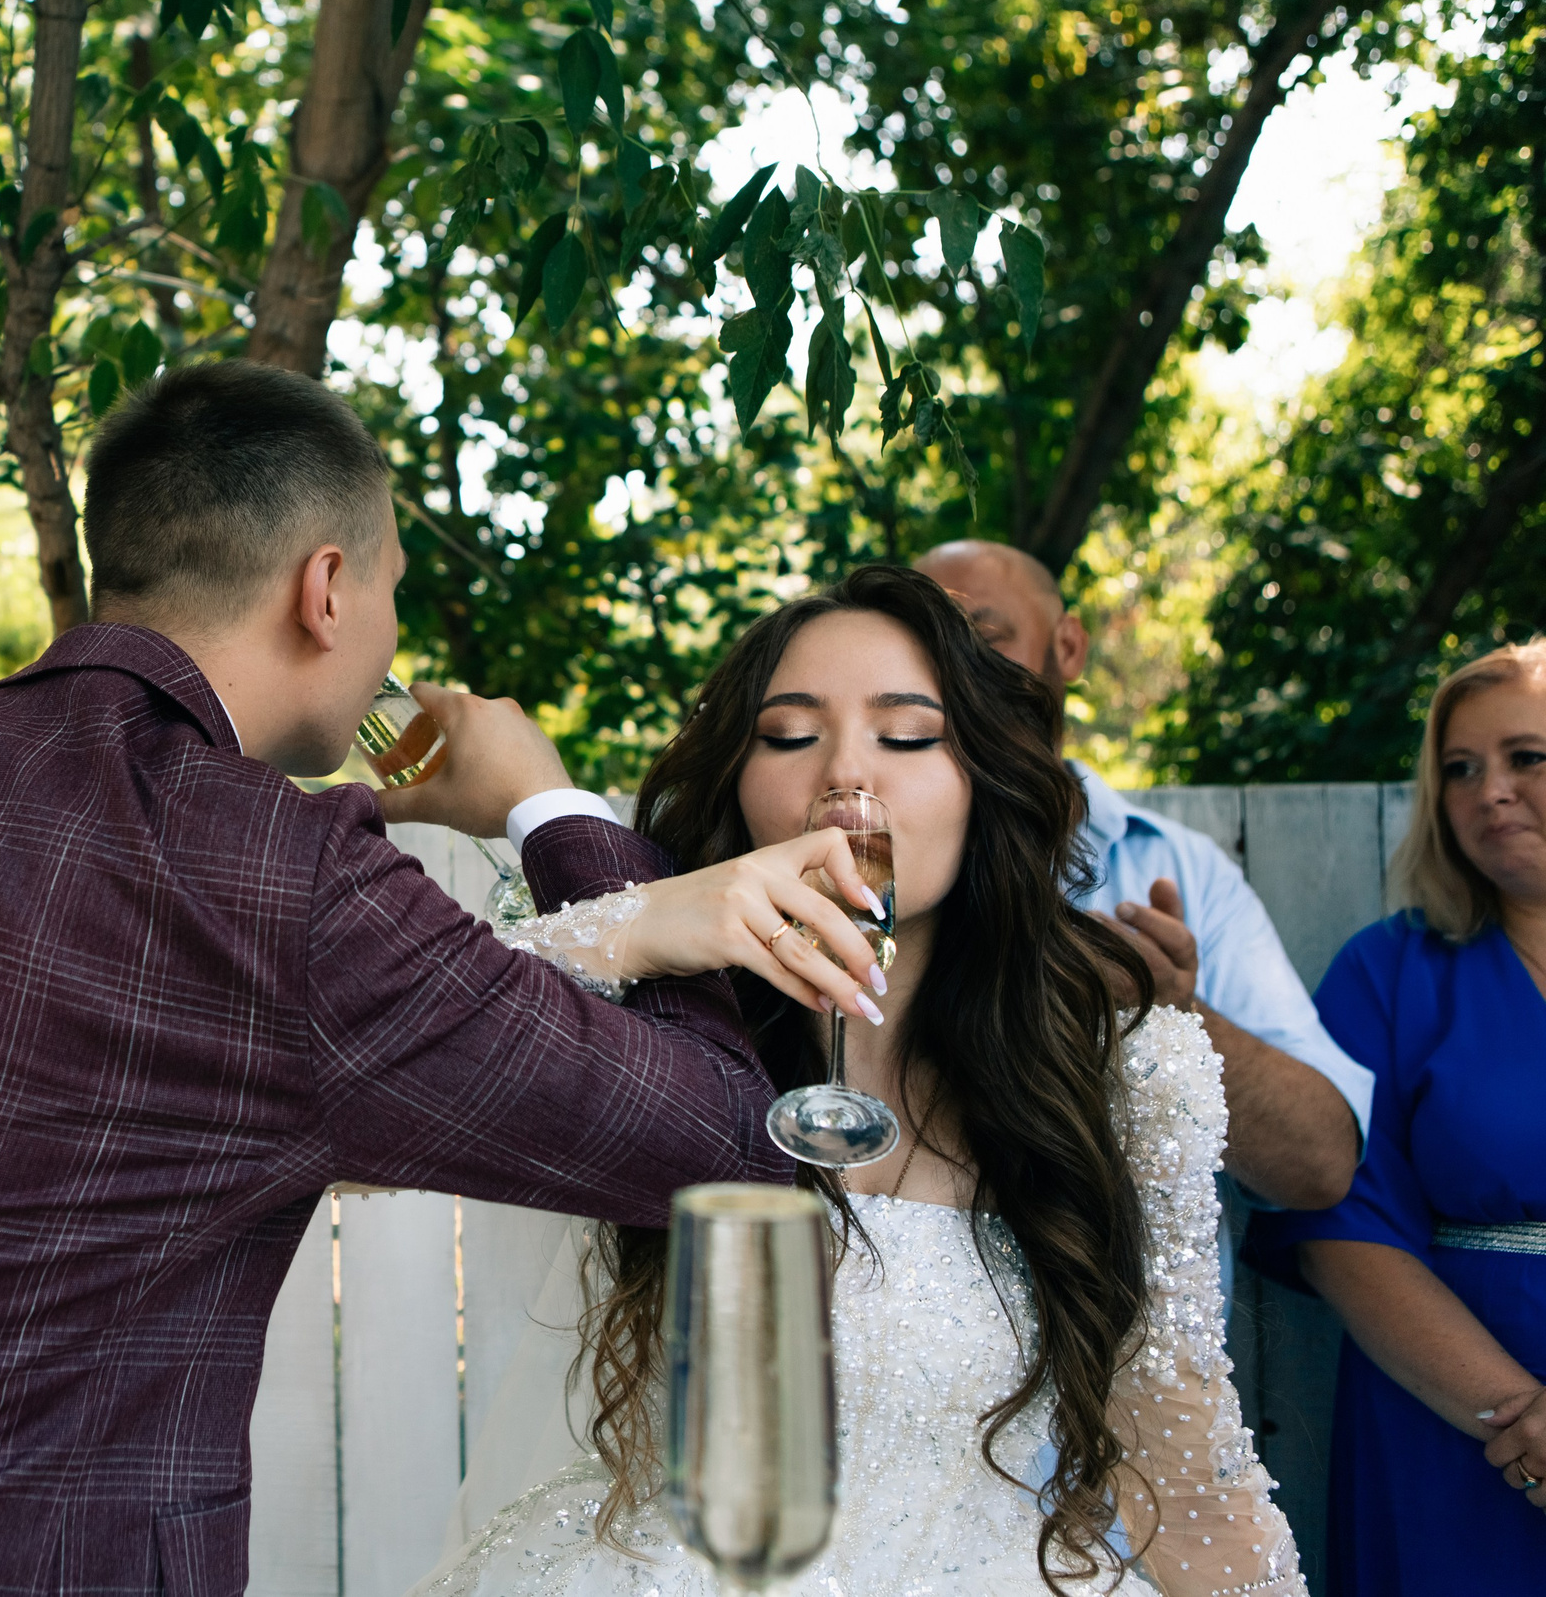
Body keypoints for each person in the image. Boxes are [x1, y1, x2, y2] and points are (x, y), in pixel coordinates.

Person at [0, 362, 891, 1596]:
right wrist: (550, 809)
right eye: (395, 583)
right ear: (326, 589)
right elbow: (731, 1142)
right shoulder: (285, 883)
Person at [398, 565, 1301, 1597]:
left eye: (907, 735)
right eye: (788, 736)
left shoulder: (1125, 1076)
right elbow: (393, 1072)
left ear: (984, 782)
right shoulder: (632, 1018)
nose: (844, 776)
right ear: (736, 784)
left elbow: (1184, 1472)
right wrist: (618, 895)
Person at [913, 539, 1370, 1213]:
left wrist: (1171, 1014)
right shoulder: (867, 865)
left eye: (985, 637)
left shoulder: (1187, 871)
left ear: (1067, 646)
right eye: (925, 656)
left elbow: (1321, 1165)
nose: (953, 675)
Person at [1245, 639, 1546, 1595]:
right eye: (1460, 769)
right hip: (1451, 1430)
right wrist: (1520, 1417)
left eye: (1525, 758)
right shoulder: (1389, 970)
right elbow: (1342, 1222)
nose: (1488, 791)